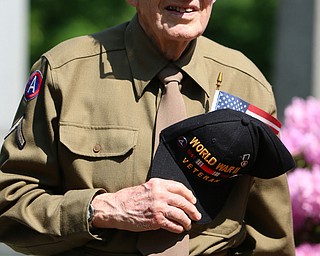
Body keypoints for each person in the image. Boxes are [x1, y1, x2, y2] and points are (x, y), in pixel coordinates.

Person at [0, 0, 295, 255]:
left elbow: (271, 238)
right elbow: (9, 205)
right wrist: (101, 209)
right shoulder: (65, 74)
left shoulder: (247, 85)